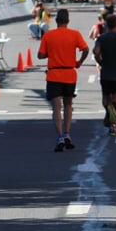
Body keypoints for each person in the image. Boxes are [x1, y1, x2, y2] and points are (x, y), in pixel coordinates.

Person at [36, 8, 89, 152]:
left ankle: (59, 136)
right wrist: (79, 62)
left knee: (56, 107)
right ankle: (67, 133)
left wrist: (51, 52)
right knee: (68, 104)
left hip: (54, 74)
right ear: (68, 21)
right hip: (69, 73)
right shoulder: (75, 34)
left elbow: (40, 55)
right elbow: (86, 49)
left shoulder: (49, 35)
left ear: (56, 20)